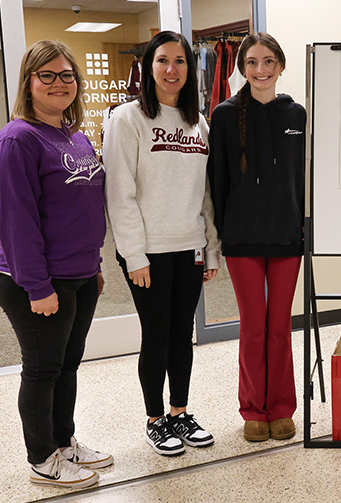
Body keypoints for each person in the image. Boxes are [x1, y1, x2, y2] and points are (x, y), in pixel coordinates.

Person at [0, 40, 112, 488]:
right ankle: (43, 458)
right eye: (47, 75)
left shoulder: (75, 135)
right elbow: (17, 221)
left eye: (66, 75)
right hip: (34, 280)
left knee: (68, 363)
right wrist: (38, 287)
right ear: (29, 82)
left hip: (77, 274)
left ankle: (64, 441)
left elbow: (83, 208)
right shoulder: (18, 138)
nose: (59, 83)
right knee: (42, 369)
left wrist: (93, 264)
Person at [103, 31, 220, 456]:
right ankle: (155, 419)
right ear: (149, 67)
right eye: (163, 61)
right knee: (156, 333)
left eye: (181, 62)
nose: (172, 70)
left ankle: (179, 412)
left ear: (190, 70)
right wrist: (133, 255)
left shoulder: (198, 122)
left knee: (180, 333)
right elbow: (120, 193)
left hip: (188, 245)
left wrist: (210, 246)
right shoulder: (127, 119)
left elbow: (204, 193)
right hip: (147, 251)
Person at [207, 33, 305, 443]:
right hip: (242, 239)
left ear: (281, 66)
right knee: (253, 325)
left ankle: (281, 407)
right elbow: (217, 184)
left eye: (268, 62)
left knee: (279, 325)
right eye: (252, 63)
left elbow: (303, 178)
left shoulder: (297, 114)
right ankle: (253, 409)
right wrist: (216, 240)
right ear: (241, 68)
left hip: (286, 239)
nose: (260, 70)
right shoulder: (226, 115)